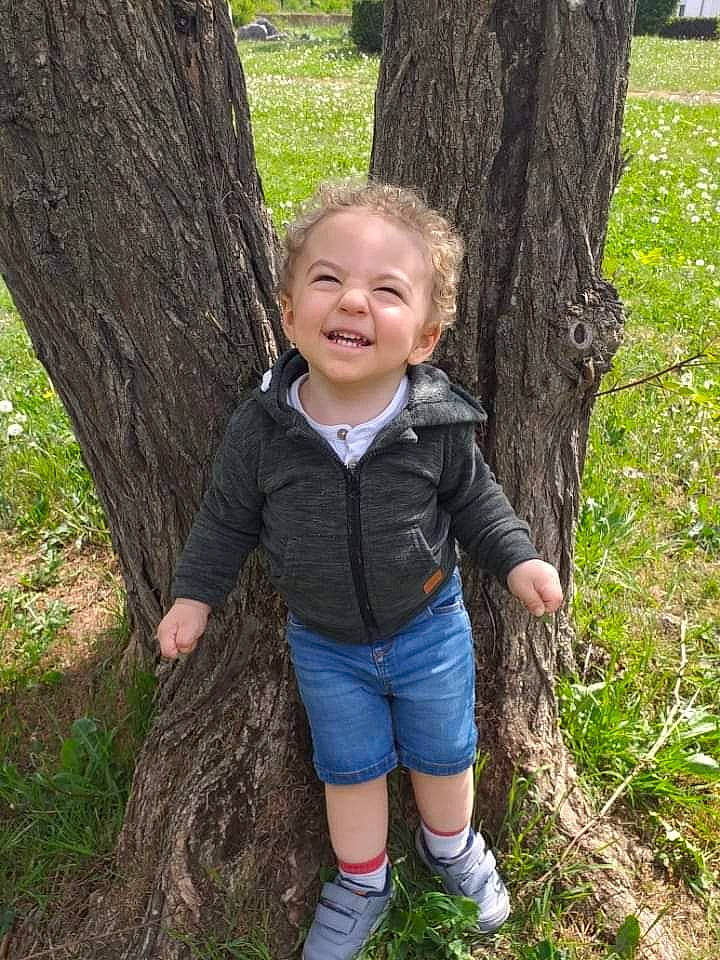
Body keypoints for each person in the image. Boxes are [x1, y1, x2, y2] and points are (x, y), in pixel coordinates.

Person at [157, 180, 563, 960]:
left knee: (444, 754)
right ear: (288, 313)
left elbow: (477, 502)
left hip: (429, 627)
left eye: (386, 290)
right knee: (349, 770)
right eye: (328, 279)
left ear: (424, 338)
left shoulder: (434, 425)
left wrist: (518, 559)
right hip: (325, 643)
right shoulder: (264, 429)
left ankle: (450, 847)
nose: (352, 301)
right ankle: (362, 880)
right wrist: (193, 598)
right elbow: (225, 519)